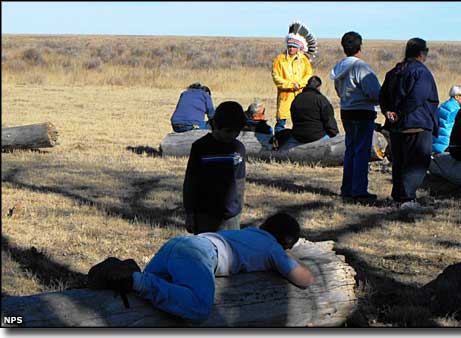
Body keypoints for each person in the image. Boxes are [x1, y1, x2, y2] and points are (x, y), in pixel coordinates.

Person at [88, 213, 315, 321]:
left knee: (159, 294)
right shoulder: (274, 249)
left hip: (181, 244)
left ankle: (124, 272)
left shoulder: (250, 233)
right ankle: (135, 279)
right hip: (201, 254)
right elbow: (304, 280)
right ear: (286, 244)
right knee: (199, 308)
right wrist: (292, 256)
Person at [379, 38, 439, 207]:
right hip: (417, 125)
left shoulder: (394, 72)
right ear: (422, 53)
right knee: (417, 163)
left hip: (397, 127)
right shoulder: (422, 72)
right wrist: (399, 113)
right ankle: (406, 198)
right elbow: (417, 97)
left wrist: (388, 112)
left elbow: (382, 96)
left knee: (400, 163)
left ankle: (398, 197)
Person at [331, 31, 381, 200]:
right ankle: (359, 190)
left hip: (346, 111)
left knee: (350, 150)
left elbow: (338, 92)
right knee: (361, 152)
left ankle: (347, 188)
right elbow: (374, 92)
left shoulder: (339, 68)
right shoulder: (361, 67)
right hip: (363, 112)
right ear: (360, 46)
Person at [183, 101, 247, 234]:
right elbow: (191, 182)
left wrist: (238, 208)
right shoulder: (200, 147)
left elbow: (240, 180)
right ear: (216, 125)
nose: (233, 135)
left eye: (237, 132)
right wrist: (190, 213)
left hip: (231, 215)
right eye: (229, 131)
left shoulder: (239, 148)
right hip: (205, 214)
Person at [272, 22, 315, 133]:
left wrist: (300, 84)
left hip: (301, 95)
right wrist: (291, 85)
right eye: (289, 46)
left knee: (300, 120)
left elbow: (308, 75)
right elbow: (276, 78)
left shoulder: (304, 60)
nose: (291, 48)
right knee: (281, 121)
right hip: (285, 96)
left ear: (299, 48)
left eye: (294, 46)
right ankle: (278, 143)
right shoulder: (279, 59)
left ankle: (299, 142)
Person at [290, 75, 339, 144]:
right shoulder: (321, 99)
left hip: (298, 137)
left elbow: (294, 119)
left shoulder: (296, 99)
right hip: (317, 136)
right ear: (318, 87)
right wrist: (335, 135)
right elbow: (329, 120)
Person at [432, 85, 461, 153]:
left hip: (435, 144)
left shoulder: (442, 106)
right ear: (456, 97)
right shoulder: (456, 110)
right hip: (446, 146)